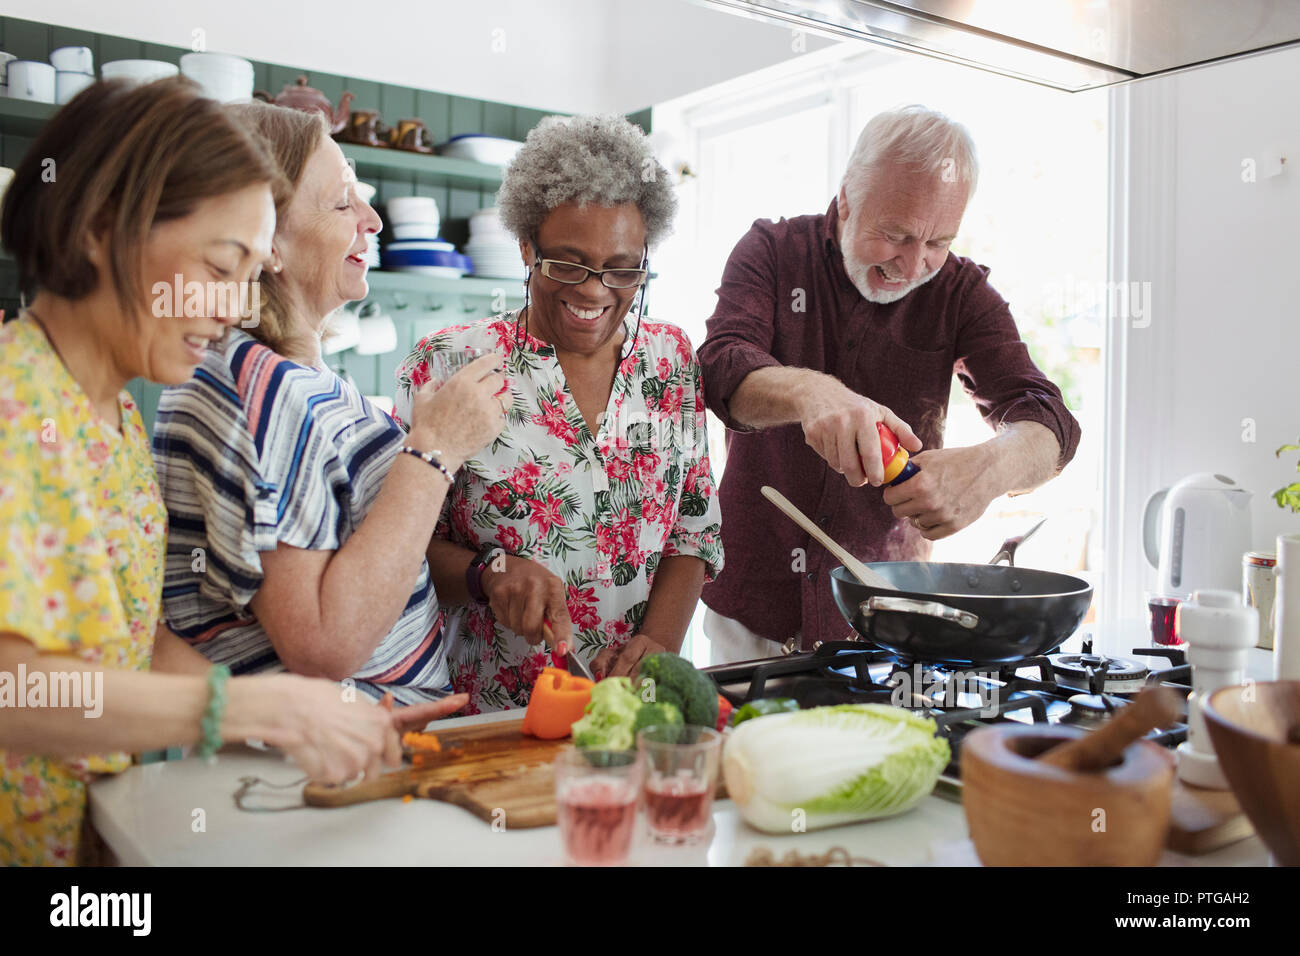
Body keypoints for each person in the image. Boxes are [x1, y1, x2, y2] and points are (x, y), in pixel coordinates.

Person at [0, 78, 443, 867]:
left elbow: (134, 637)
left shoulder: (109, 415)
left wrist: (310, 710)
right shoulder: (14, 406)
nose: (240, 303)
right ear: (106, 229)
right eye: (220, 264)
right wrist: (243, 704)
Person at [152, 101, 508, 704]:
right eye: (343, 201)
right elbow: (322, 644)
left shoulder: (299, 376)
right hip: (314, 772)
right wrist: (435, 449)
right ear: (264, 239)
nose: (371, 219)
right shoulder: (250, 383)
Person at [697, 104, 1081, 661]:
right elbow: (721, 365)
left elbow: (1050, 419)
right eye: (896, 235)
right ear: (848, 198)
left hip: (889, 616)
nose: (914, 263)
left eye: (937, 242)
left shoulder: (962, 294)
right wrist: (813, 394)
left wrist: (990, 469)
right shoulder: (773, 252)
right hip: (752, 609)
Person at [393, 114, 723, 713]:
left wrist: (660, 645)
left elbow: (692, 532)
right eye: (568, 264)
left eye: (623, 268)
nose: (596, 291)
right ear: (526, 247)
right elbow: (402, 545)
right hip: (491, 714)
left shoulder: (670, 359)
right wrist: (488, 574)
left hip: (638, 707)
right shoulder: (449, 364)